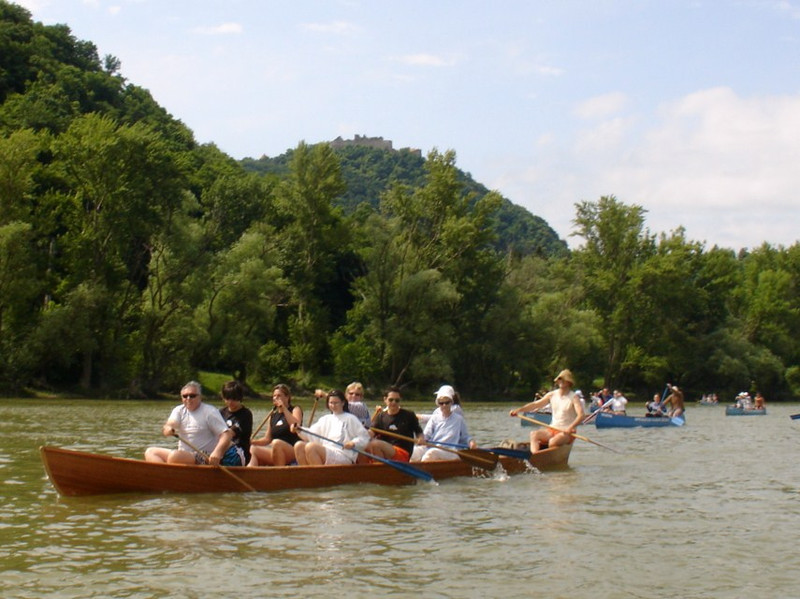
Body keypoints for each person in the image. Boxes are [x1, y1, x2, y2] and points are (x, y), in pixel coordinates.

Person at [144, 381, 236, 465]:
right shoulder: (178, 410)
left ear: (200, 397)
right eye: (185, 396)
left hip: (204, 456)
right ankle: (164, 476)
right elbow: (171, 423)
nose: (188, 398)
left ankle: (168, 475)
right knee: (150, 452)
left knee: (175, 456)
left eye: (192, 396)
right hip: (183, 456)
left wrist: (217, 453)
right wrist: (168, 428)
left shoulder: (209, 412)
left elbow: (226, 435)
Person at [509, 369, 585, 454]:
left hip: (567, 432)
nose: (562, 381)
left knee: (553, 442)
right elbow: (535, 404)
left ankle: (543, 458)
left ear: (569, 382)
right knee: (534, 434)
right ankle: (535, 457)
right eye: (560, 379)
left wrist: (570, 427)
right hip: (552, 429)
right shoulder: (552, 395)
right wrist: (519, 410)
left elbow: (581, 415)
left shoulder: (574, 397)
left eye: (564, 379)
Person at [292, 389, 369, 465]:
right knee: (299, 445)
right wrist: (299, 429)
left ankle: (320, 475)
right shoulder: (325, 419)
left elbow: (364, 437)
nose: (333, 405)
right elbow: (312, 434)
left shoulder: (351, 418)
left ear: (343, 403)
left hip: (343, 454)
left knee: (311, 447)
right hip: (327, 451)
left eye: (336, 403)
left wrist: (353, 443)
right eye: (331, 403)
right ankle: (307, 474)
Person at [413, 387, 477, 462]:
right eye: (441, 403)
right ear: (438, 404)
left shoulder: (459, 419)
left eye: (447, 403)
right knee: (413, 451)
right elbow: (426, 435)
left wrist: (471, 442)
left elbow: (465, 437)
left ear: (451, 402)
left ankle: (422, 470)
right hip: (432, 447)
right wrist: (421, 439)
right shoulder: (434, 418)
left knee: (431, 453)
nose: (444, 405)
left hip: (451, 451)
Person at [248, 383, 303, 467]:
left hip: (293, 450)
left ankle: (279, 474)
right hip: (276, 450)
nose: (276, 398)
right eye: (274, 396)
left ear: (287, 397)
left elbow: (296, 425)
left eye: (279, 396)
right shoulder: (273, 416)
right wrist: (251, 442)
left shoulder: (295, 409)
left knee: (277, 443)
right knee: (253, 449)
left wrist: (284, 408)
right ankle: (250, 475)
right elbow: (267, 439)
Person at [366, 386, 423, 462]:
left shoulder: (409, 415)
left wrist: (421, 439)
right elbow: (371, 432)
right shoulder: (380, 416)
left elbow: (419, 431)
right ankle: (378, 468)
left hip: (402, 453)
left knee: (375, 444)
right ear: (385, 400)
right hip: (384, 451)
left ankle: (380, 470)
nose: (394, 403)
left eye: (397, 400)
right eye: (391, 400)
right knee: (364, 445)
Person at [219, 380, 253, 464]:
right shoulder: (220, 413)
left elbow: (229, 434)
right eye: (227, 398)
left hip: (239, 452)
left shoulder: (246, 414)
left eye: (234, 398)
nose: (230, 402)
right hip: (221, 450)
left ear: (240, 398)